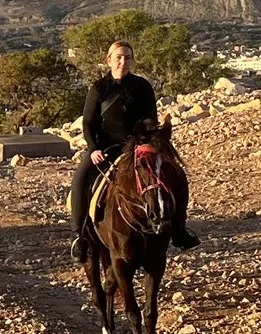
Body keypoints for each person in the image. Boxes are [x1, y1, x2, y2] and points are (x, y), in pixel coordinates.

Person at [70, 39, 197, 256]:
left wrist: (146, 143)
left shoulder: (142, 86)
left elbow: (151, 119)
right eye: (118, 57)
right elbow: (88, 123)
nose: (123, 61)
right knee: (80, 180)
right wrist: (93, 149)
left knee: (176, 176)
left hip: (139, 147)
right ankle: (80, 237)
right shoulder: (99, 88)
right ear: (108, 60)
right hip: (107, 148)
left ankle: (178, 229)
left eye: (127, 57)